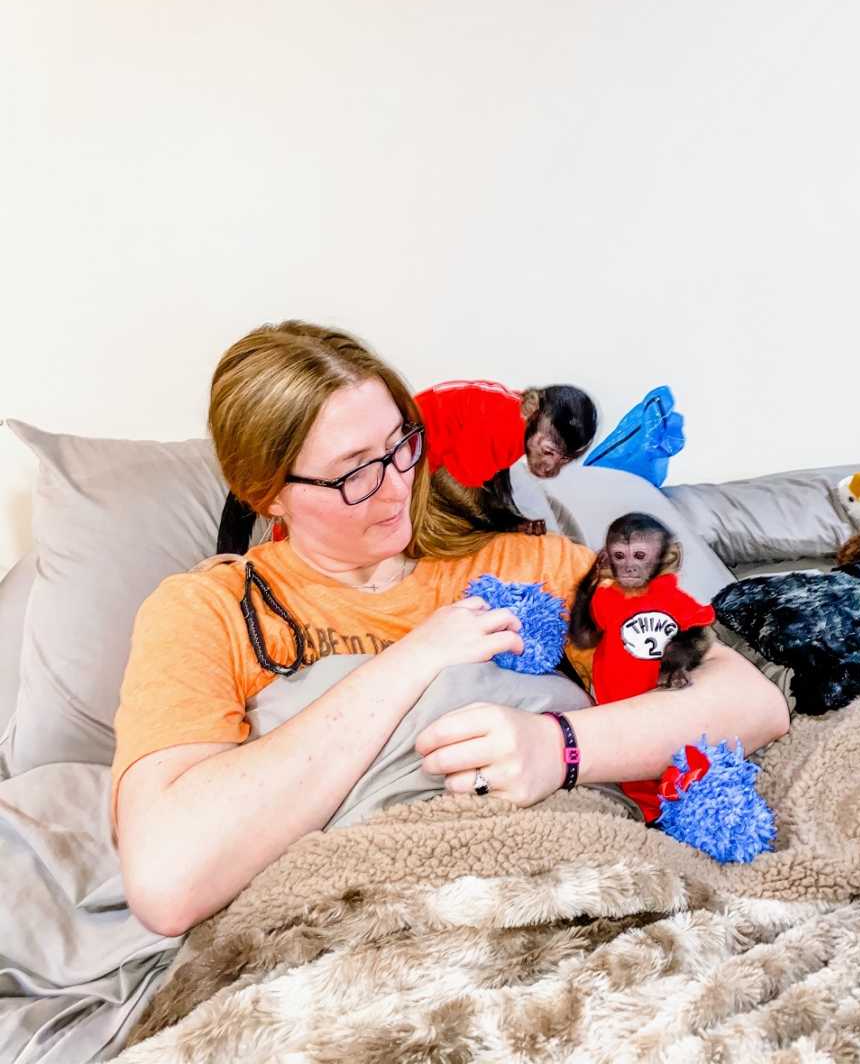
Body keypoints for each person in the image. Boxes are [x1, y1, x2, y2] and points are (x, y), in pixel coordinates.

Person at [113, 320, 789, 937]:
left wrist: (561, 746)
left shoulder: (523, 564)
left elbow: (749, 702)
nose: (395, 484)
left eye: (401, 445)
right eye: (353, 472)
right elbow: (169, 880)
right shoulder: (211, 610)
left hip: (571, 898)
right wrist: (415, 659)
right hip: (363, 934)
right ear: (267, 493)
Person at [413, 379, 597, 535]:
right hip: (410, 457)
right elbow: (451, 481)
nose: (551, 467)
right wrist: (505, 523)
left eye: (564, 459)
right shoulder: (502, 428)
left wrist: (514, 519)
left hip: (432, 454)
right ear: (531, 409)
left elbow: (496, 475)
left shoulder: (524, 421)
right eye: (549, 452)